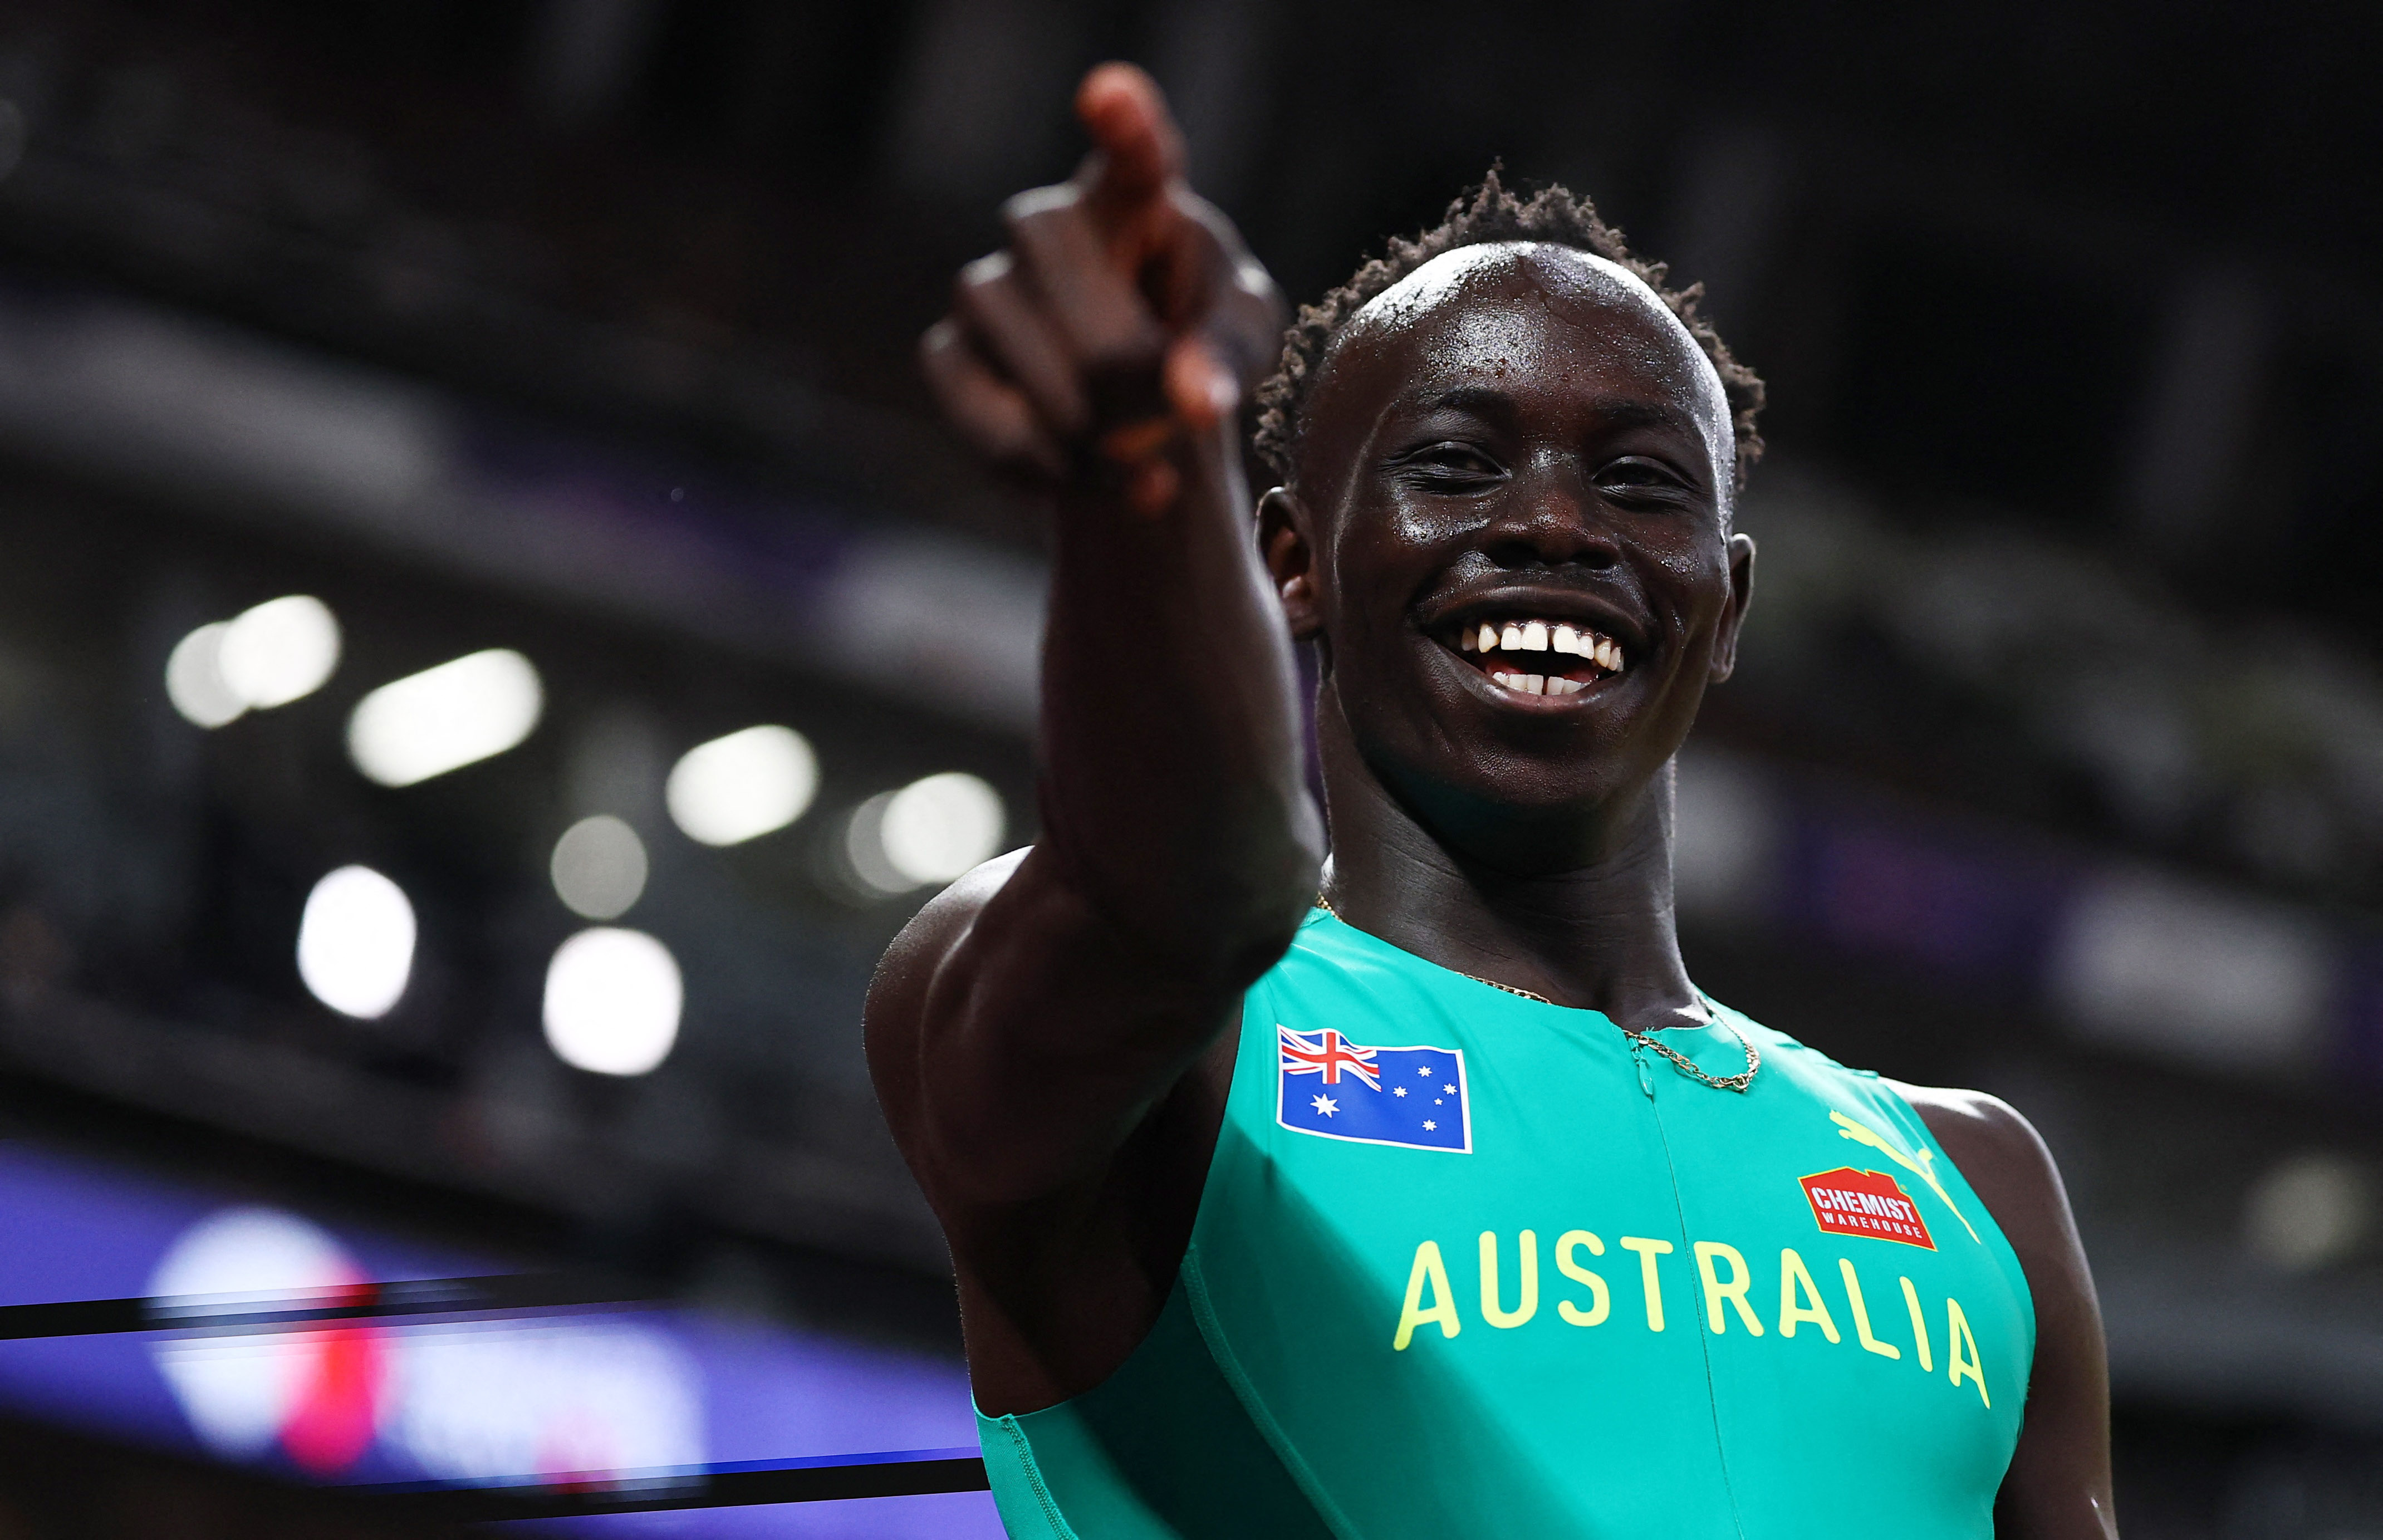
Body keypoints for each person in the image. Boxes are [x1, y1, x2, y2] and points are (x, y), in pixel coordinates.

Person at [870, 61, 2116, 1539]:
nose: (1551, 525)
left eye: (1644, 484)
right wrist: (1150, 471)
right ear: (1294, 562)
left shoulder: (1977, 1188)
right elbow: (1181, 900)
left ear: (1727, 608)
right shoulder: (1174, 1058)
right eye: (1455, 467)